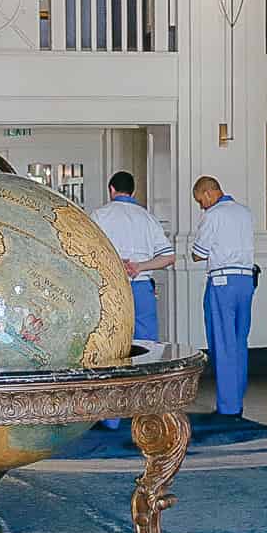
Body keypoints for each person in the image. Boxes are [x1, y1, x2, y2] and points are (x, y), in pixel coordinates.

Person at [89, 171, 175, 430]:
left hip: (113, 290)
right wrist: (138, 266)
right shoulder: (147, 218)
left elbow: (89, 253)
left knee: (113, 349)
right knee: (147, 349)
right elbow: (168, 257)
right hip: (142, 288)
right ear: (133, 191)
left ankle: (112, 416)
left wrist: (118, 265)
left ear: (111, 189)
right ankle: (146, 411)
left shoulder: (100, 215)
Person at [189, 175, 256, 418]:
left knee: (223, 343)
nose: (201, 206)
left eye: (200, 200)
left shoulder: (213, 215)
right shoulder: (244, 212)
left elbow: (199, 253)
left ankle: (228, 406)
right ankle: (237, 398)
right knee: (239, 342)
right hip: (246, 280)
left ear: (208, 193)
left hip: (222, 282)